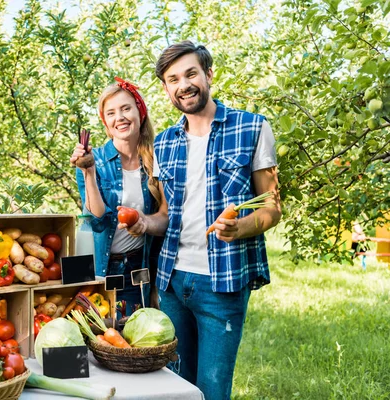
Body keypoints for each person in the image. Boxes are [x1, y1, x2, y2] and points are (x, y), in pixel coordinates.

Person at [120, 41, 282, 399]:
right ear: (166, 89)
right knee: (174, 387)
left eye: (191, 73)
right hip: (172, 281)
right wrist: (145, 224)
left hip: (222, 283)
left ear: (208, 74)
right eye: (173, 79)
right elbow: (166, 215)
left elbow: (272, 207)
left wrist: (240, 227)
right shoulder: (164, 144)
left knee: (211, 390)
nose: (183, 84)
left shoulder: (252, 128)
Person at [71, 77, 162, 317]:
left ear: (139, 112)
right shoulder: (96, 160)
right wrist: (89, 173)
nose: (119, 117)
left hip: (138, 268)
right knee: (99, 340)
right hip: (100, 267)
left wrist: (155, 285)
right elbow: (98, 222)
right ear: (106, 123)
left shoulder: (155, 161)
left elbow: (164, 222)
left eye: (125, 109)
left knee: (134, 340)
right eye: (110, 113)